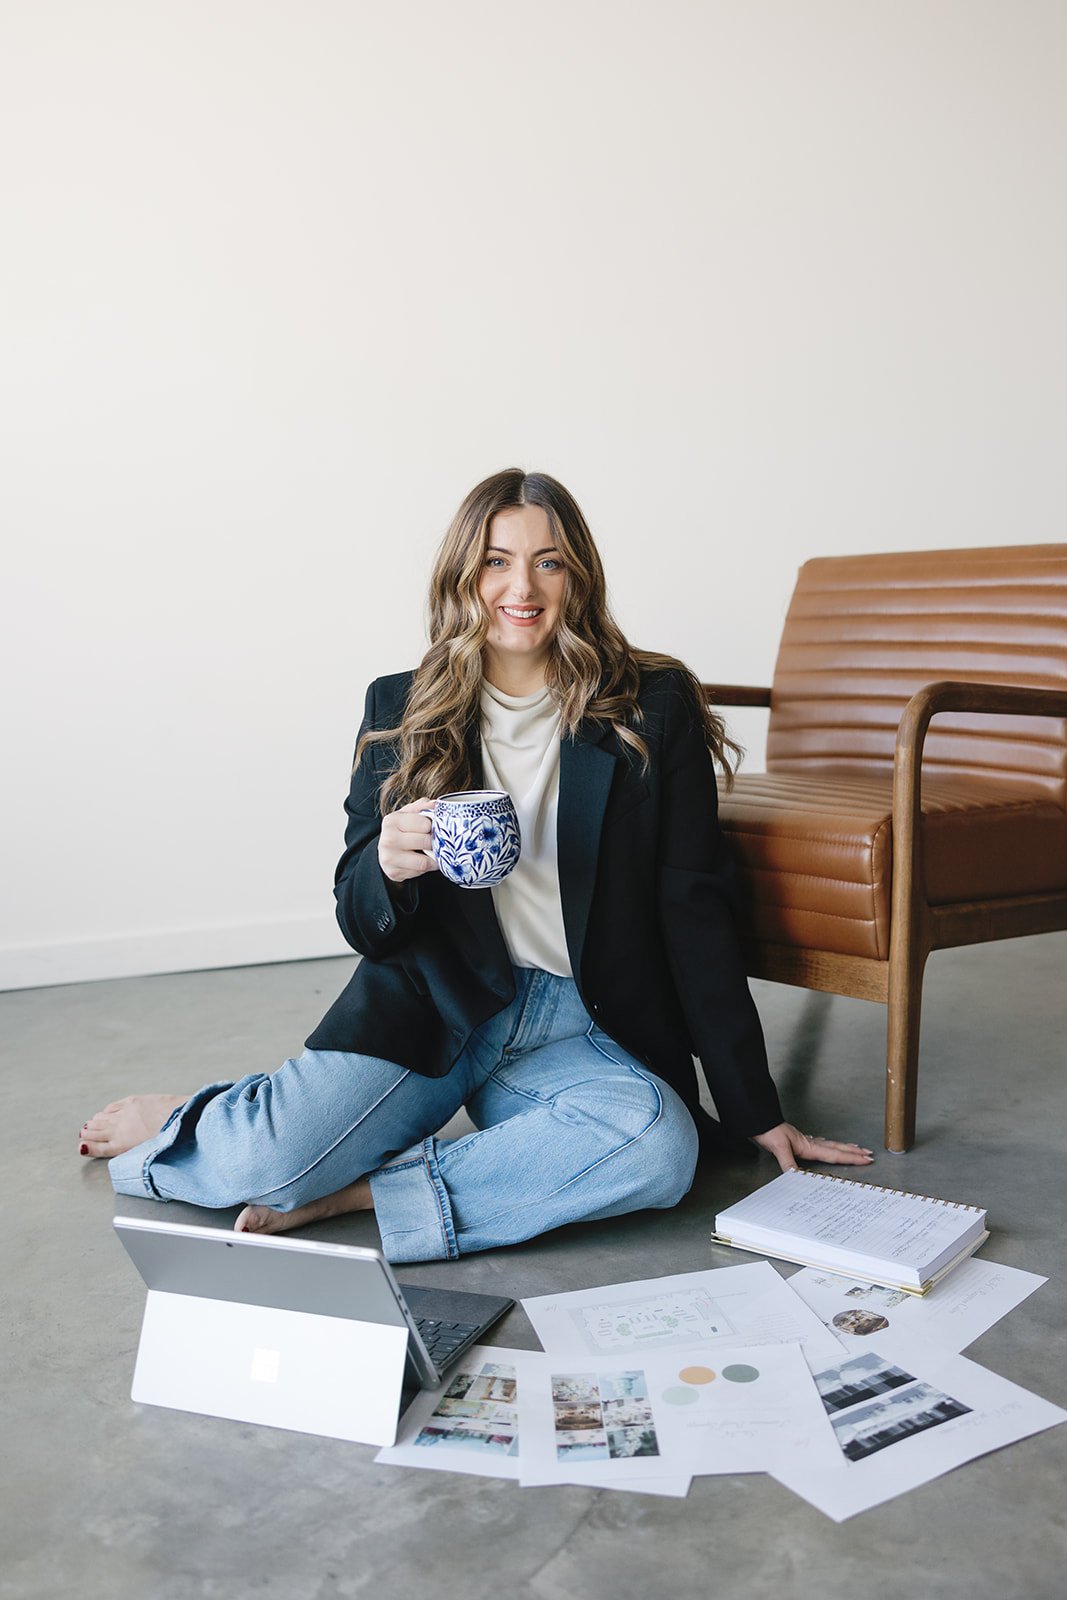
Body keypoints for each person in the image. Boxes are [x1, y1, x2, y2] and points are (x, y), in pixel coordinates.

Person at [80, 469, 872, 1262]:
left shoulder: (648, 707)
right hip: (441, 1006)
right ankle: (203, 1114)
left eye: (548, 562)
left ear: (578, 576)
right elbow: (360, 921)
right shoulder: (401, 705)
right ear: (464, 575)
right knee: (261, 1163)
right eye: (496, 561)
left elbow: (691, 911)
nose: (520, 587)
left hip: (586, 1025)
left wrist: (750, 1107)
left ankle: (365, 1195)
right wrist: (385, 866)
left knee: (658, 1149)